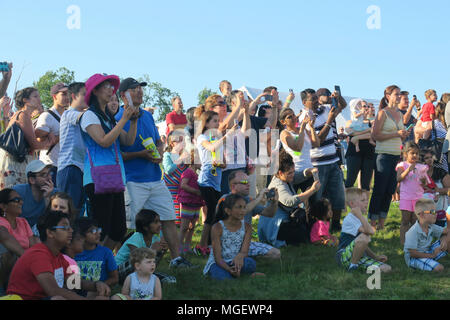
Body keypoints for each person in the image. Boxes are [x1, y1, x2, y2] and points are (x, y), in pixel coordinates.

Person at [116, 77, 193, 268]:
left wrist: (159, 150)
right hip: (132, 180)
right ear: (123, 95)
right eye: (134, 89)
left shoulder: (148, 116)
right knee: (128, 224)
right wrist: (141, 154)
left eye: (140, 89)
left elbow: (158, 141)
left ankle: (176, 260)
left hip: (155, 178)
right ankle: (120, 263)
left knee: (168, 216)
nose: (139, 92)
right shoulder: (118, 117)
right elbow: (118, 153)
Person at [80, 74, 139, 252]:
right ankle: (92, 264)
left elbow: (128, 141)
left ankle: (102, 262)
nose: (111, 89)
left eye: (111, 86)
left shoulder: (108, 118)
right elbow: (104, 141)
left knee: (118, 229)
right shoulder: (89, 116)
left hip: (113, 177)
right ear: (95, 91)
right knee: (101, 229)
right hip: (97, 178)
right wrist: (123, 119)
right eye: (105, 86)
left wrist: (133, 121)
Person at [6, 210, 111, 300]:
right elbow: (53, 290)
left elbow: (73, 282)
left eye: (70, 227)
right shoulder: (39, 255)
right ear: (50, 233)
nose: (71, 231)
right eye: (65, 228)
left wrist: (96, 285)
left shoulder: (57, 256)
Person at [298, 88, 347, 232]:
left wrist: (339, 97)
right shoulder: (304, 118)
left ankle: (336, 225)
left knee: (338, 195)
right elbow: (317, 141)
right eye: (312, 99)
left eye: (315, 97)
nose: (315, 101)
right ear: (303, 102)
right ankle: (315, 228)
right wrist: (330, 120)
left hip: (332, 160)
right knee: (317, 199)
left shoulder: (324, 109)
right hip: (317, 163)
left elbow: (342, 106)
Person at [258, 152, 321, 248]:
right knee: (304, 235)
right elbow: (291, 201)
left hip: (282, 223)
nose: (292, 175)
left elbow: (299, 176)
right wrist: (312, 190)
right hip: (274, 228)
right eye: (289, 173)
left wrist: (309, 171)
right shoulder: (277, 185)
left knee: (307, 230)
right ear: (280, 173)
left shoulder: (284, 178)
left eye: (293, 171)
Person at [195, 110, 237, 255]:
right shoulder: (202, 137)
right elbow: (212, 148)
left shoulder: (216, 138)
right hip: (206, 180)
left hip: (216, 181)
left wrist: (220, 164)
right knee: (212, 213)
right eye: (214, 121)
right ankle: (201, 245)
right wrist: (227, 135)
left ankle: (210, 243)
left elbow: (224, 164)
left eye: (218, 120)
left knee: (216, 213)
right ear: (206, 123)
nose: (218, 123)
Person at [369, 85, 411, 230]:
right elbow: (375, 136)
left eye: (400, 94)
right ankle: (372, 223)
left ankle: (382, 222)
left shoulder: (399, 114)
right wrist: (396, 134)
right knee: (379, 189)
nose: (399, 96)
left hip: (395, 156)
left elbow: (399, 133)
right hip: (383, 155)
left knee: (390, 190)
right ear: (388, 96)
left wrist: (403, 134)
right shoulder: (383, 113)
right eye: (396, 94)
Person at [217, 170, 281, 259]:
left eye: (248, 182)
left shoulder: (249, 200)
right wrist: (258, 198)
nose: (248, 184)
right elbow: (240, 211)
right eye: (244, 182)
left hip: (245, 244)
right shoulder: (224, 199)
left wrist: (274, 202)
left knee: (276, 254)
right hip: (226, 244)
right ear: (233, 186)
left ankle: (244, 257)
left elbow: (269, 213)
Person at [0, 87, 55, 189]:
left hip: (12, 161)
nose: (39, 99)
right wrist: (50, 141)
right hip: (16, 164)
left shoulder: (20, 115)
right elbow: (33, 144)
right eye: (35, 96)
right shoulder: (23, 115)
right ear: (25, 100)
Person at [203, 194, 263, 280]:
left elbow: (244, 251)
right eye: (239, 207)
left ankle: (237, 273)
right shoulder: (217, 227)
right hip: (219, 263)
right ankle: (236, 274)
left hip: (235, 261)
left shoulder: (247, 227)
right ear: (228, 211)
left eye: (244, 207)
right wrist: (229, 269)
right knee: (222, 276)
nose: (243, 210)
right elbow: (218, 258)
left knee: (251, 263)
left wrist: (240, 257)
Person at [336, 188, 392, 273]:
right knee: (365, 236)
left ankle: (357, 265)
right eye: (363, 200)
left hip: (358, 256)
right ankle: (352, 266)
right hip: (344, 255)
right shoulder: (350, 218)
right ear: (352, 204)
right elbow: (370, 232)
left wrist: (375, 257)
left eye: (366, 200)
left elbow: (362, 244)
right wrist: (360, 215)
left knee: (386, 268)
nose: (366, 202)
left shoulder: (361, 218)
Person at [115, 209, 174, 284]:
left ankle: (140, 280)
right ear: (145, 227)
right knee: (139, 259)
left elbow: (153, 263)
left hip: (138, 272)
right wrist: (152, 250)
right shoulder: (136, 238)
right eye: (156, 222)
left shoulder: (155, 239)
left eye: (159, 221)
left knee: (170, 280)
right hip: (118, 272)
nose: (160, 224)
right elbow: (137, 260)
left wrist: (163, 250)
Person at [57, 82, 88, 215]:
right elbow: (81, 117)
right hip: (70, 167)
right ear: (74, 96)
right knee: (68, 211)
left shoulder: (84, 115)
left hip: (80, 169)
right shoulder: (69, 113)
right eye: (85, 95)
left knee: (77, 211)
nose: (88, 98)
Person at [0, 188, 39, 291]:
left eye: (21, 199)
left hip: (25, 264)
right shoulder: (1, 222)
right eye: (16, 200)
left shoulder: (23, 221)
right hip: (9, 267)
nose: (21, 202)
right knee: (8, 253)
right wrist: (29, 260)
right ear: (4, 206)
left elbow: (33, 245)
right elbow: (6, 238)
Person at [35, 82, 70, 184]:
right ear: (54, 96)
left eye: (68, 93)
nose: (67, 97)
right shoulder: (47, 116)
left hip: (66, 165)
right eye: (63, 94)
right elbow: (38, 138)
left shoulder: (69, 114)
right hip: (50, 166)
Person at [396, 142, 430, 245]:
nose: (415, 155)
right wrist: (408, 170)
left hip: (417, 198)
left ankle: (412, 242)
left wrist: (424, 181)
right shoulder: (402, 165)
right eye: (412, 153)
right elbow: (399, 178)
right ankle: (403, 242)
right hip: (406, 197)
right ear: (406, 154)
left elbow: (425, 185)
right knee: (405, 220)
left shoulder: (422, 167)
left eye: (417, 153)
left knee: (415, 221)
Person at [279, 107, 319, 193]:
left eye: (294, 115)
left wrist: (311, 127)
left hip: (309, 171)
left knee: (313, 202)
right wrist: (301, 129)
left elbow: (316, 144)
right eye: (289, 117)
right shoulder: (284, 133)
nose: (294, 118)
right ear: (283, 122)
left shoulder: (303, 130)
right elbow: (297, 148)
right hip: (294, 173)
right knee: (293, 202)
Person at [404, 198, 450, 272]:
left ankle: (431, 260)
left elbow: (447, 231)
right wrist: (432, 255)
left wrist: (444, 241)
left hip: (428, 251)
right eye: (432, 212)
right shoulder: (412, 232)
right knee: (439, 268)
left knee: (448, 240)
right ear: (422, 215)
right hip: (415, 258)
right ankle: (430, 261)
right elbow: (412, 253)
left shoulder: (431, 226)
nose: (436, 214)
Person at [74, 217, 119, 291]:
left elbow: (114, 278)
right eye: (92, 231)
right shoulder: (74, 253)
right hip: (77, 291)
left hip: (97, 292)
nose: (98, 233)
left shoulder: (106, 252)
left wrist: (101, 286)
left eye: (98, 230)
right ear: (81, 235)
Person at [13, 160, 56, 231]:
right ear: (32, 180)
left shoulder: (55, 193)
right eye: (44, 175)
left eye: (49, 173)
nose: (49, 178)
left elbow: (54, 222)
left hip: (42, 233)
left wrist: (47, 198)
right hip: (19, 232)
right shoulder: (18, 192)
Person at [177, 151, 204, 255]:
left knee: (192, 226)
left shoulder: (197, 173)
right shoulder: (188, 172)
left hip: (196, 202)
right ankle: (179, 247)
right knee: (184, 227)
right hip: (187, 201)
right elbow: (183, 185)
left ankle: (187, 247)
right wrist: (196, 191)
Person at [163, 131, 190, 226]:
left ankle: (181, 225)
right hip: (170, 188)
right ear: (172, 143)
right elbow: (168, 170)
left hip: (182, 188)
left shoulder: (184, 154)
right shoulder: (167, 154)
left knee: (182, 209)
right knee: (172, 210)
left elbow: (188, 170)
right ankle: (173, 225)